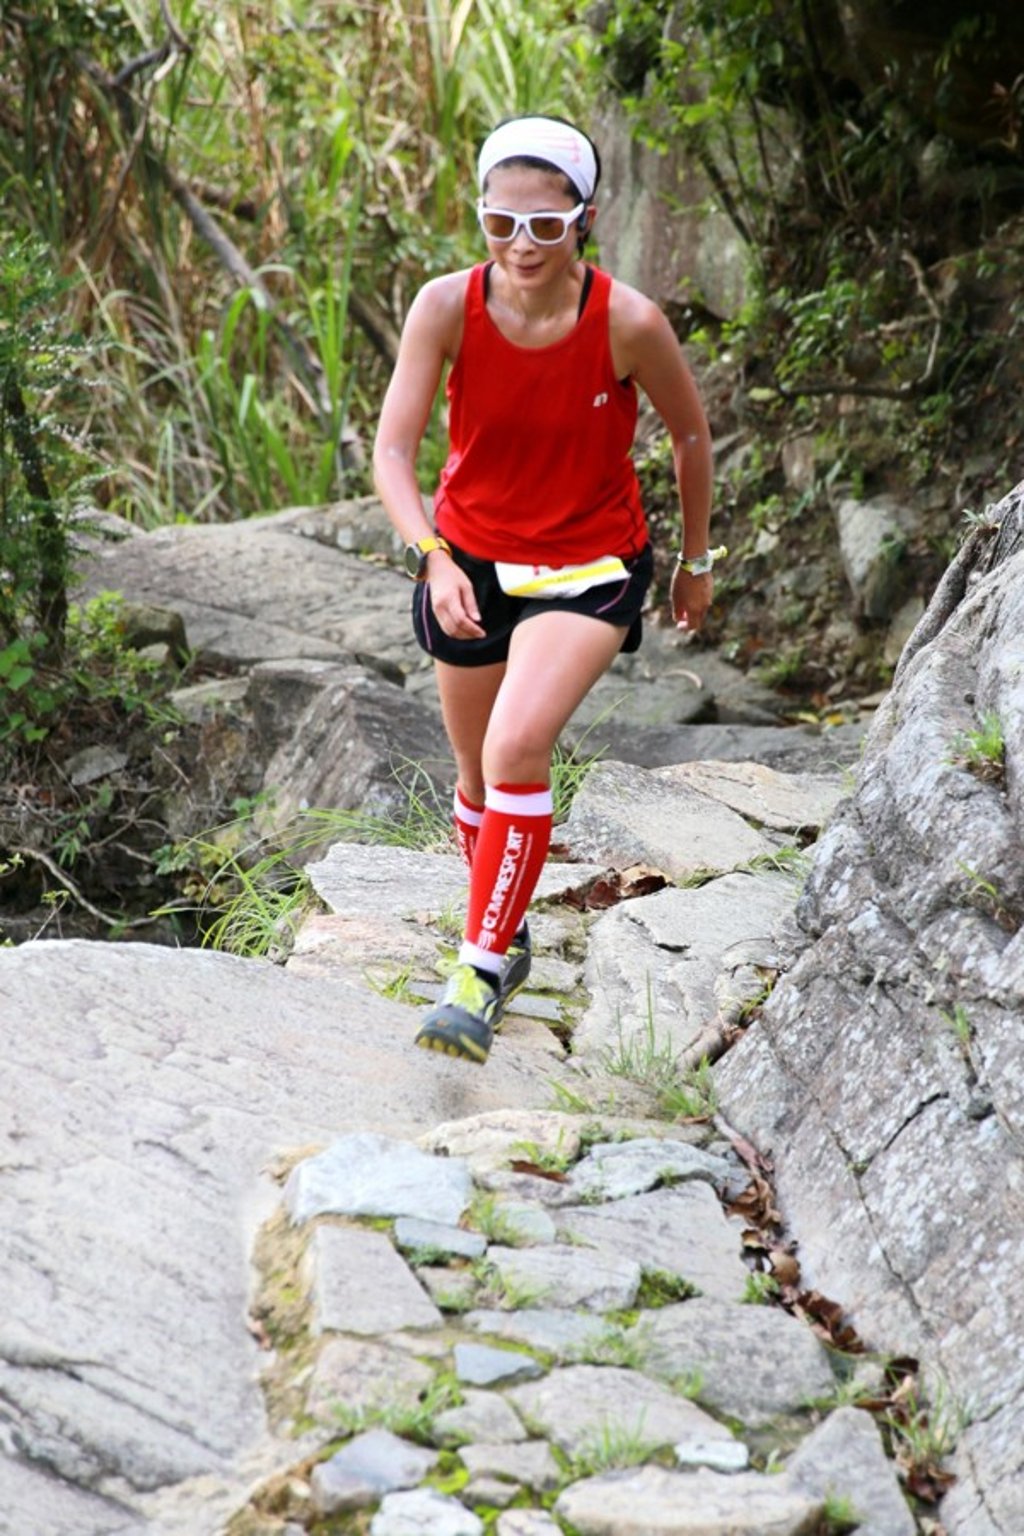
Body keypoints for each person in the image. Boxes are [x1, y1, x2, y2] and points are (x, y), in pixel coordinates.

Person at [373, 114, 714, 1065]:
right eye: (500, 224)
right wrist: (432, 553)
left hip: (590, 567)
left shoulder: (626, 321)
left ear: (585, 220)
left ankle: (476, 975)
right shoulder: (445, 307)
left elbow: (690, 437)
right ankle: (508, 928)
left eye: (545, 227)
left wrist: (696, 562)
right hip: (471, 561)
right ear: (481, 220)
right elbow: (394, 451)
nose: (521, 246)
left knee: (519, 746)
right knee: (477, 776)